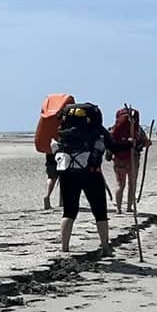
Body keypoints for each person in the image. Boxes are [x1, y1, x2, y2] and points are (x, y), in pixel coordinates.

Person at [52, 96, 117, 254]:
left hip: (67, 174)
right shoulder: (97, 130)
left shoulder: (63, 132)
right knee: (100, 212)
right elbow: (114, 146)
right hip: (92, 174)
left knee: (69, 211)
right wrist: (130, 143)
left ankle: (64, 248)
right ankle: (106, 247)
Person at [108, 105, 149, 212]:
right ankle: (129, 207)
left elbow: (109, 144)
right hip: (133, 159)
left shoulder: (113, 129)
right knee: (132, 184)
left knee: (120, 184)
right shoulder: (138, 129)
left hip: (118, 159)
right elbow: (146, 142)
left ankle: (118, 209)